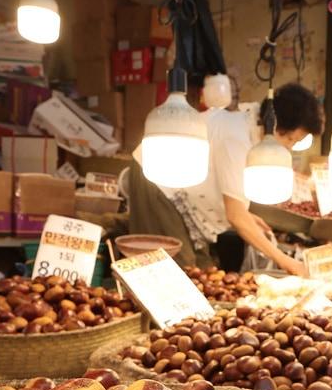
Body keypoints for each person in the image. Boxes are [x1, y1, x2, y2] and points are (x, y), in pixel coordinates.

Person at [126, 79, 318, 275]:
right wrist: (285, 261)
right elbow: (235, 216)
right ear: (273, 123)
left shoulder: (251, 131)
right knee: (175, 272)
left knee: (203, 271)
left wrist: (247, 215)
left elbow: (229, 195)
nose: (289, 147)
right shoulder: (236, 139)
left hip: (180, 194)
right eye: (290, 139)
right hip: (158, 182)